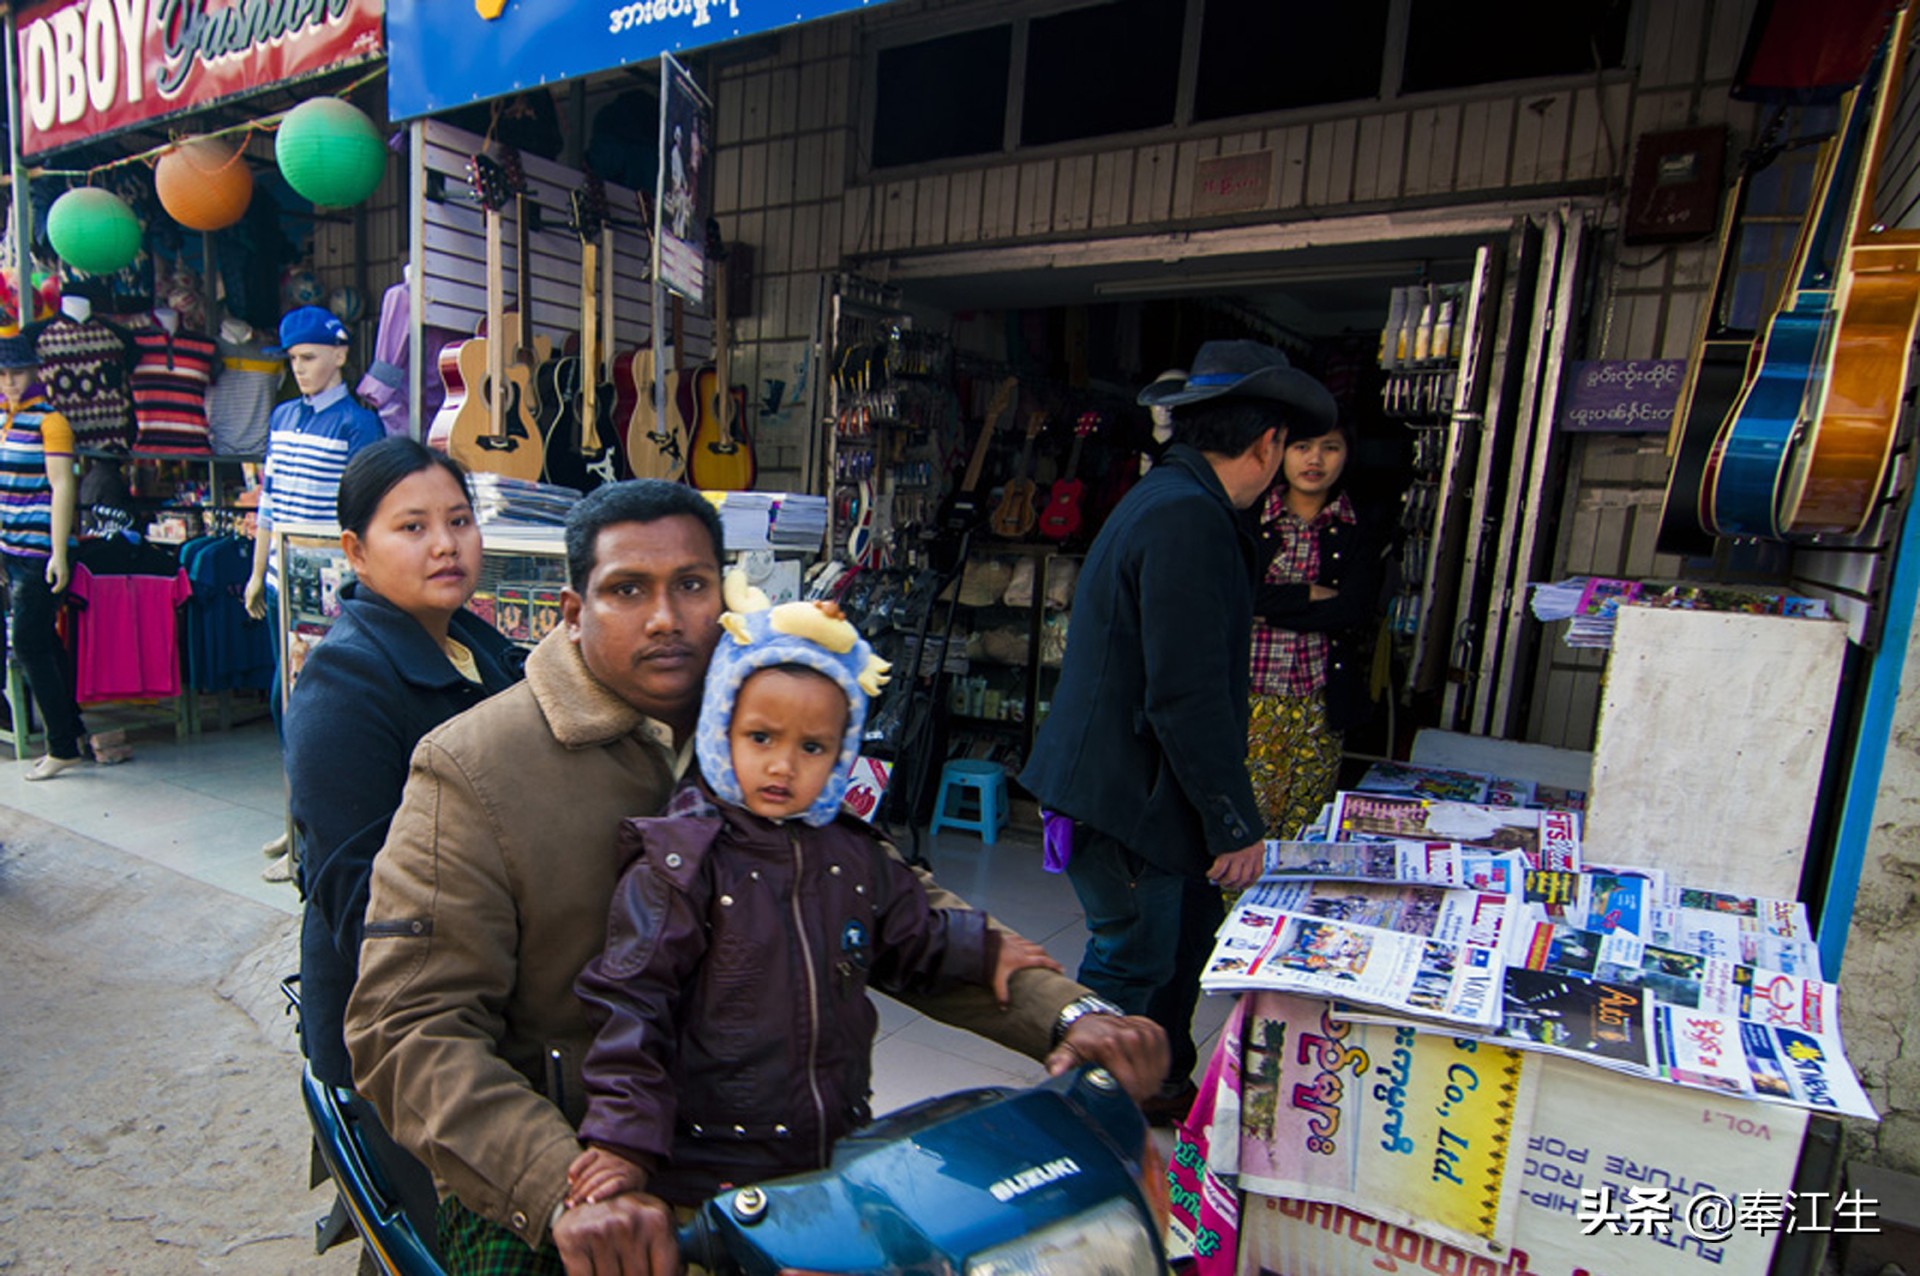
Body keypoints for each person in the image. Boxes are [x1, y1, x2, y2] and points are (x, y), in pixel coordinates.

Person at [346, 480, 1169, 1276]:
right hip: (585, 1186)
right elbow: (408, 1029)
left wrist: (1068, 1012)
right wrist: (562, 1186)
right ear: (573, 610)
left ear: (724, 595)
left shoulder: (773, 725)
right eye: (628, 589)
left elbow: (886, 901)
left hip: (782, 1159)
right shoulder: (473, 768)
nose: (666, 618)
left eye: (692, 585)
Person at [563, 579, 1062, 1230]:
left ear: (842, 754)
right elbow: (633, 1005)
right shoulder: (682, 862)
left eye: (812, 747)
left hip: (830, 1147)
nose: (782, 767)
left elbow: (909, 935)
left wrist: (981, 947)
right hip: (707, 1169)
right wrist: (624, 1140)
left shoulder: (853, 856)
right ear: (721, 730)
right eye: (761, 738)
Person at [1020, 339, 1337, 1125]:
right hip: (1131, 796)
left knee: (1176, 945)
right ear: (1266, 445)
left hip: (1133, 785)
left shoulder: (1169, 497)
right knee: (1130, 962)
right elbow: (1186, 696)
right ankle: (1070, 1122)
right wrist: (1234, 821)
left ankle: (1153, 1089)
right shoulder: (1187, 518)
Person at [285, 437, 526, 1263]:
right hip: (394, 1024)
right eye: (413, 526)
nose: (445, 544)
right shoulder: (344, 684)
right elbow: (361, 901)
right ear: (355, 550)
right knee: (445, 1238)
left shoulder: (482, 649)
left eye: (459, 521)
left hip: (485, 988)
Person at [245, 304, 384, 882]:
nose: (299, 369)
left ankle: (312, 840)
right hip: (283, 585)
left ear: (339, 355)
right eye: (293, 360)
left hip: (328, 594)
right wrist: (257, 572)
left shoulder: (359, 426)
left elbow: (364, 515)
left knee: (313, 711)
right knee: (285, 706)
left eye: (307, 357)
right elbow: (270, 503)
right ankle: (294, 818)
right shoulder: (282, 418)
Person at [1246, 414, 1389, 840]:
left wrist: (1266, 608)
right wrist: (1307, 594)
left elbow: (1352, 611)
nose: (1315, 460)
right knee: (1241, 828)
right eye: (1302, 446)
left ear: (1347, 455)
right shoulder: (1249, 519)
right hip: (1246, 700)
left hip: (1318, 704)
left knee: (1303, 828)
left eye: (1330, 447)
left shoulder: (1358, 529)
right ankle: (1229, 909)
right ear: (1279, 451)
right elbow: (1235, 598)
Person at [0, 334, 87, 779]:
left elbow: (62, 485)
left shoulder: (50, 421)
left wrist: (58, 552)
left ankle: (61, 745)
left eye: (17, 372)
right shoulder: (6, 418)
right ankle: (69, 731)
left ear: (34, 371)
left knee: (31, 643)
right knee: (44, 643)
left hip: (38, 549)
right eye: (3, 373)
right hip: (11, 547)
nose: (10, 381)